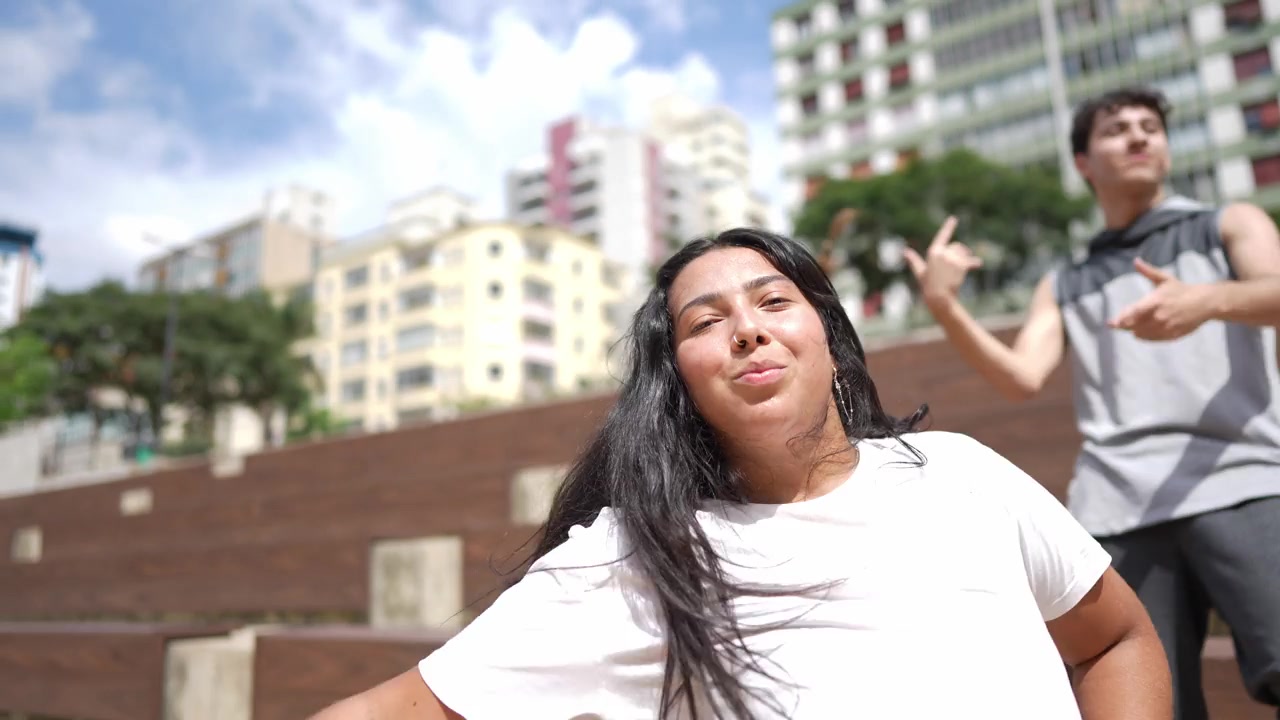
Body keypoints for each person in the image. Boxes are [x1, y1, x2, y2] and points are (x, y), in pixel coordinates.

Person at [311, 228, 1169, 719]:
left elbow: (1115, 640)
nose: (747, 330)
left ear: (828, 338)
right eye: (705, 321)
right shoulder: (640, 556)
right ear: (678, 380)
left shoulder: (963, 474)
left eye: (773, 301)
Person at [903, 86, 1280, 720]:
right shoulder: (1066, 280)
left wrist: (1205, 300)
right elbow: (1021, 377)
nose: (1138, 136)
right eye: (1116, 129)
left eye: (1150, 126)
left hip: (1242, 478)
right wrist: (945, 307)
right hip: (1117, 504)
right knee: (1143, 699)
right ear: (1083, 162)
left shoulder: (1229, 223)